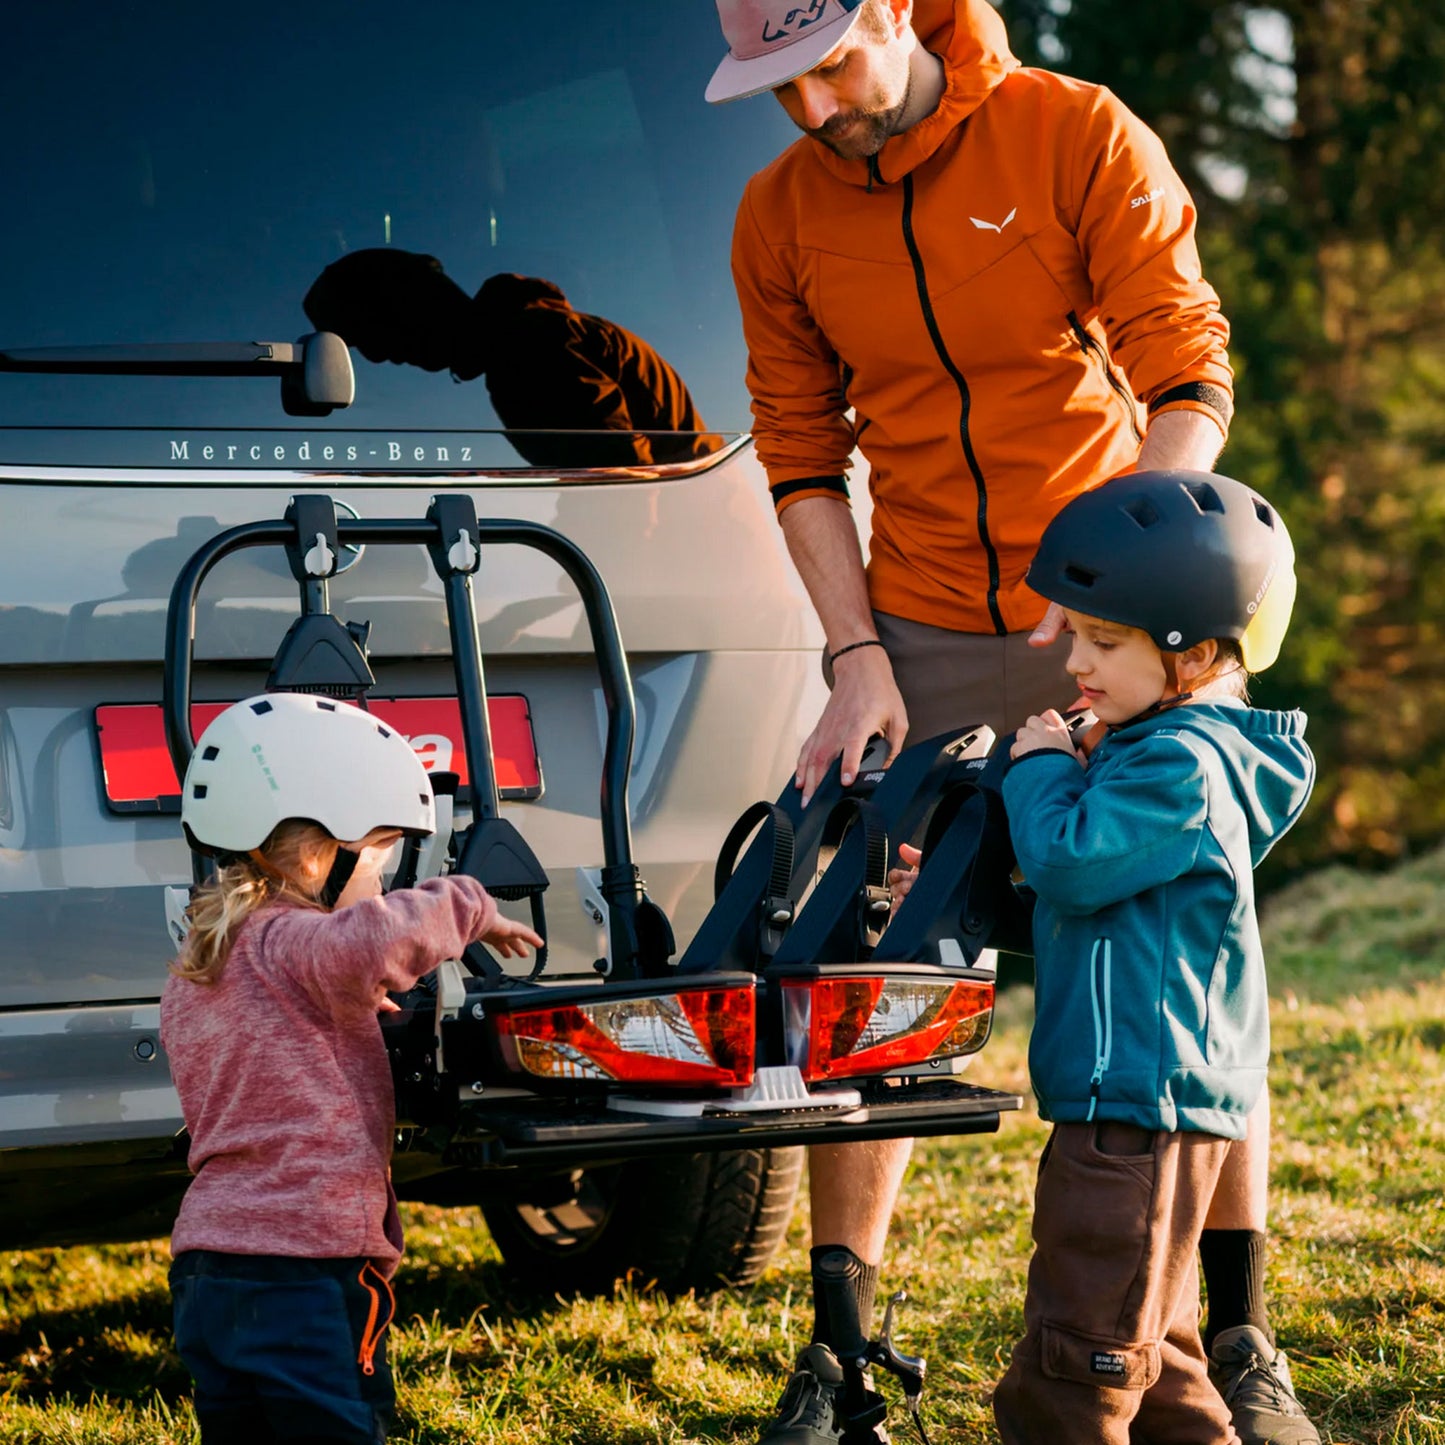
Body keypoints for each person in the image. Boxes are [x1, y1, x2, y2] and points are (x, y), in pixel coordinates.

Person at [706, 2, 1316, 1443]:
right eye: (774, 87)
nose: (807, 110)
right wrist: (856, 655)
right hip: (917, 631)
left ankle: (1235, 1337)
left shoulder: (1070, 131)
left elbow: (1184, 370)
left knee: (1189, 948)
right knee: (874, 959)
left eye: (827, 68)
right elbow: (800, 450)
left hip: (1115, 606)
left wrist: (1120, 567)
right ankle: (841, 1347)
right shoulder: (777, 212)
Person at [990, 468, 1314, 1442]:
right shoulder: (1154, 749)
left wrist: (1039, 766)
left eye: (1103, 640)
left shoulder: (1181, 763)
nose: (1074, 663)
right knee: (1159, 1360)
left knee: (1070, 1372)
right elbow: (1084, 887)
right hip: (1135, 1100)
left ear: (1193, 651)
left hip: (1134, 1110)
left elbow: (1071, 860)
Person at [160, 692, 542, 1444]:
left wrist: (344, 1006)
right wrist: (471, 904)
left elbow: (268, 1046)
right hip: (307, 1271)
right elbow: (374, 937)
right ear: (314, 856)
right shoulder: (303, 943)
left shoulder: (199, 967)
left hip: (208, 1270)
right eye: (382, 853)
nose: (387, 877)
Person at [302, 250, 719, 467]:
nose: (377, 357)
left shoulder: (531, 348)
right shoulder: (520, 342)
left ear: (409, 309)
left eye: (373, 335)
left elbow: (617, 480)